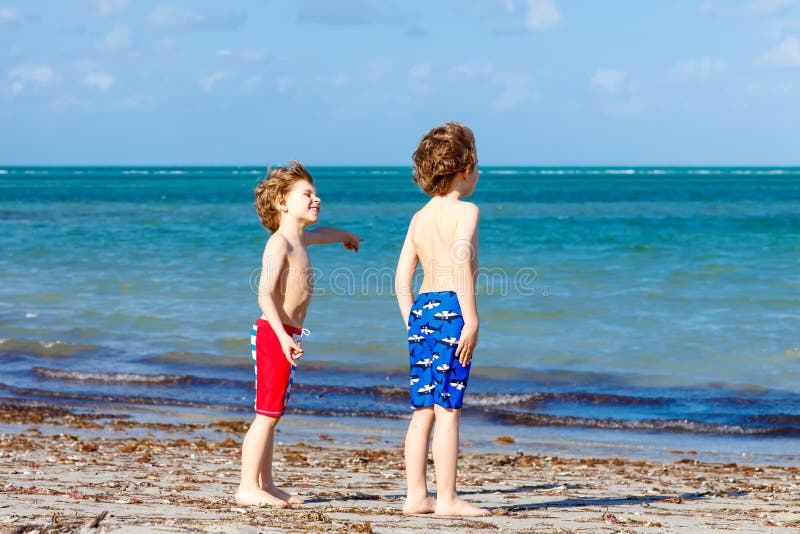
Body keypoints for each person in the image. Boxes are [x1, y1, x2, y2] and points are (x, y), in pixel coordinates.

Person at [235, 161, 363, 508]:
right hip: (274, 334)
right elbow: (264, 295)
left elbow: (324, 235)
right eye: (307, 194)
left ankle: (266, 483)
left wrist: (347, 237)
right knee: (267, 414)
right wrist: (283, 337)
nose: (316, 199)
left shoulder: (301, 238)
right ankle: (247, 486)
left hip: (286, 334)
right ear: (281, 202)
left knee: (272, 412)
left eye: (316, 193)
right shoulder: (280, 244)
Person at [394, 122, 490, 517]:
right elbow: (461, 256)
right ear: (465, 169)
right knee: (448, 407)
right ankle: (447, 498)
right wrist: (471, 318)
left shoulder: (418, 217)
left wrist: (412, 322)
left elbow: (401, 280)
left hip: (423, 311)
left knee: (423, 409)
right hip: (452, 307)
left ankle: (416, 495)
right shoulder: (467, 210)